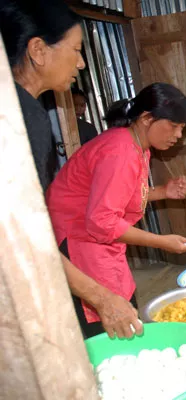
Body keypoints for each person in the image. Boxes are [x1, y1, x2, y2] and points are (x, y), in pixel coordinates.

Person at [1, 0, 143, 338]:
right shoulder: (23, 116)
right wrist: (102, 299)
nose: (80, 63)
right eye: (76, 50)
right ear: (38, 50)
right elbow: (21, 236)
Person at [46, 82, 186, 338]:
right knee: (110, 321)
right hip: (79, 243)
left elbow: (117, 196)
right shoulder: (119, 152)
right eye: (173, 126)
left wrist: (162, 191)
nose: (178, 135)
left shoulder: (138, 147)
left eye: (182, 128)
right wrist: (162, 242)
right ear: (146, 118)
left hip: (100, 242)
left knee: (125, 307)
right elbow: (102, 221)